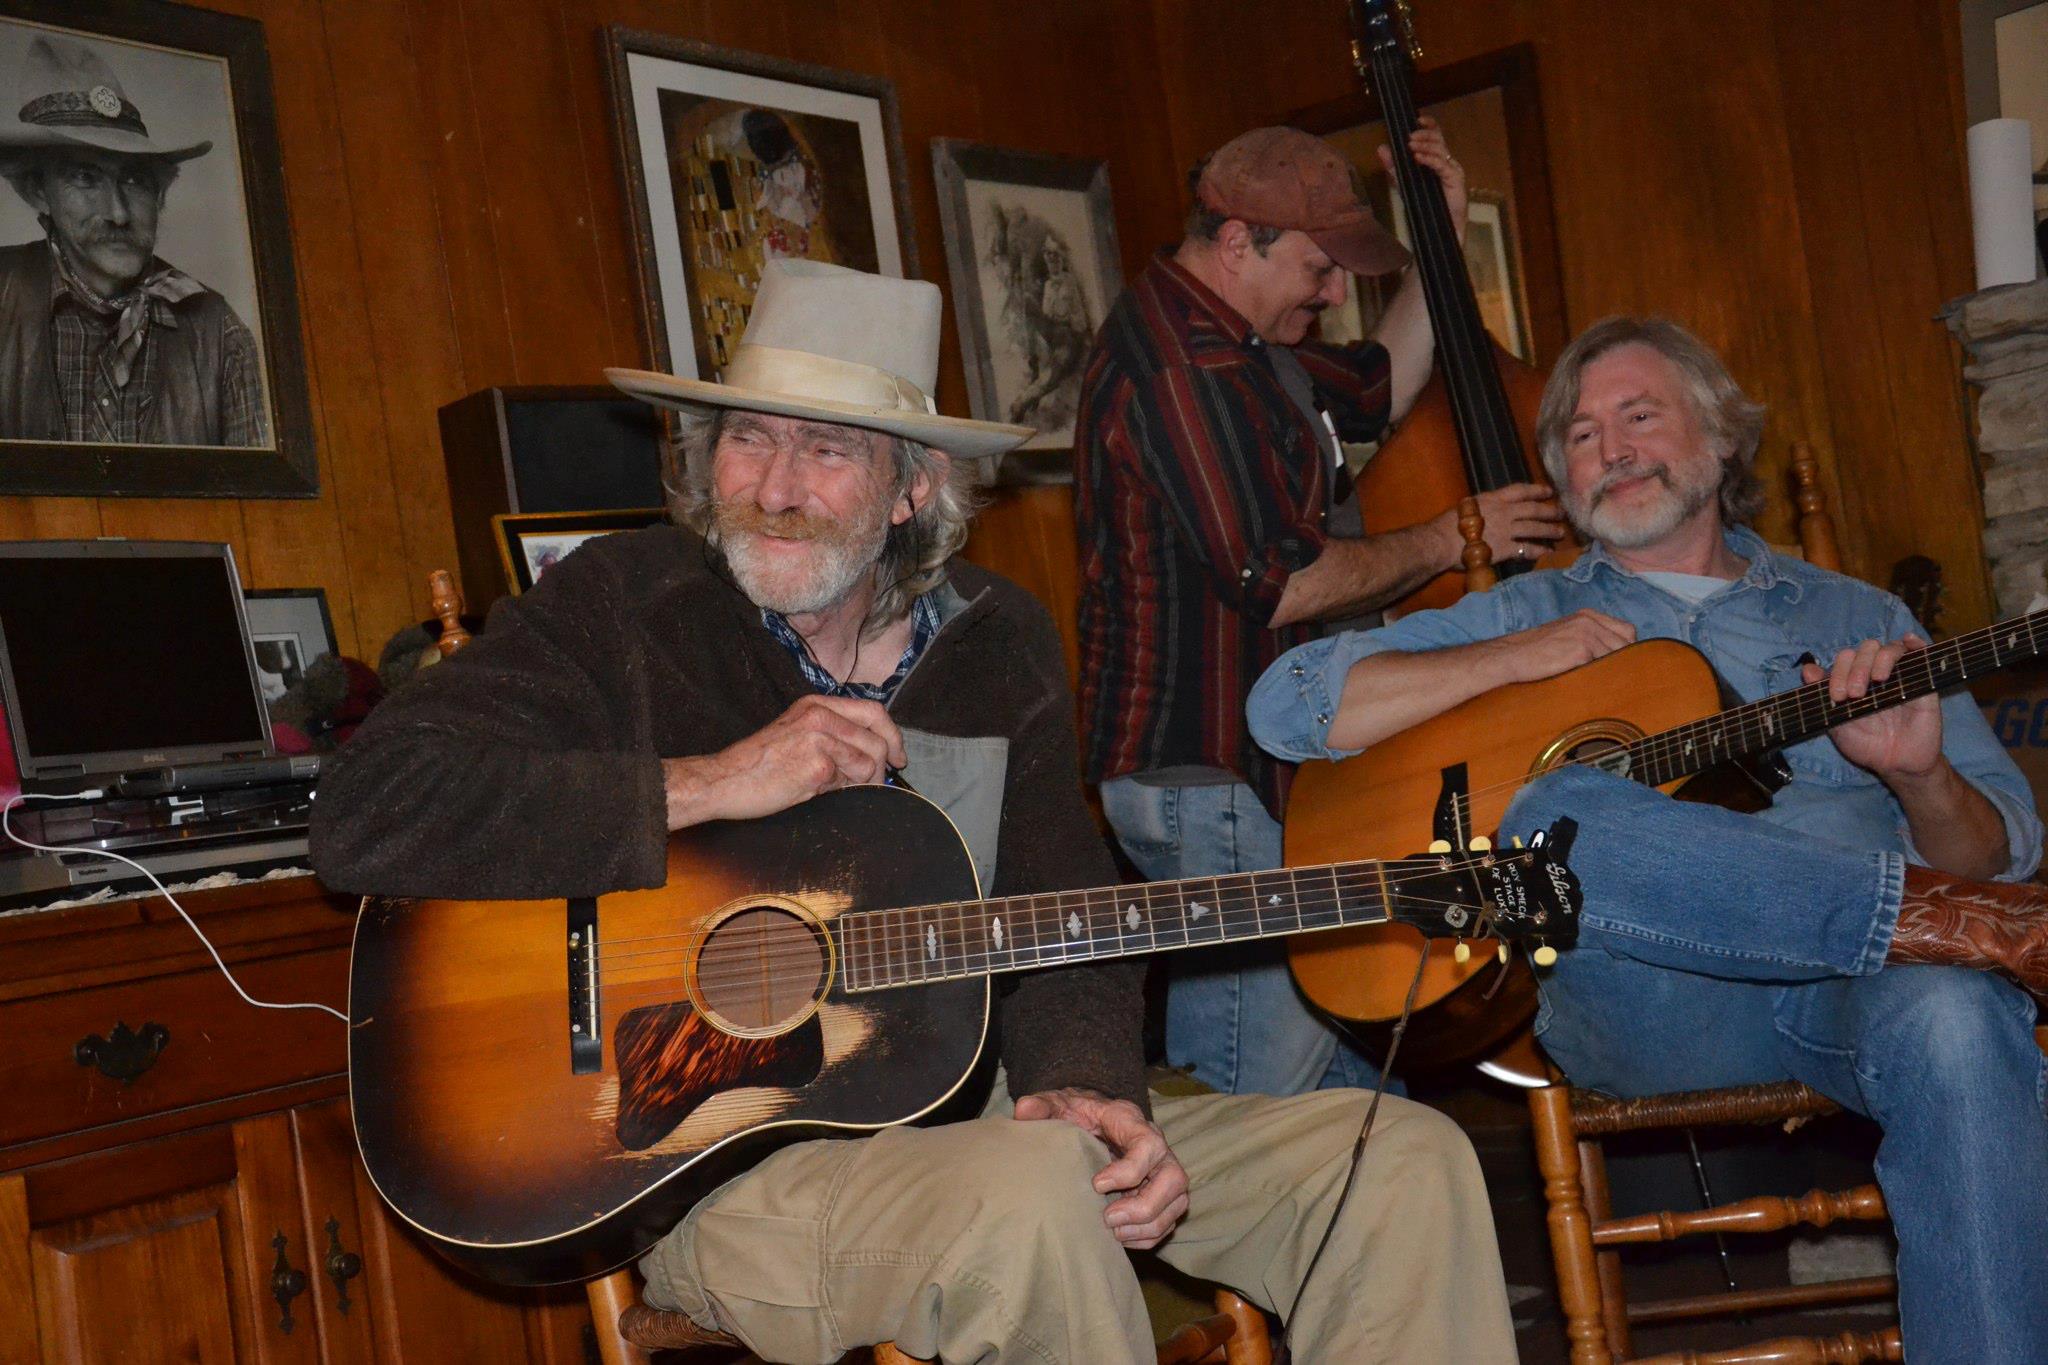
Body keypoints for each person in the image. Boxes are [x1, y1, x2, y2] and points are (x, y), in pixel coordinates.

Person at [311, 260, 1516, 1364]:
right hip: (711, 1165)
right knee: (1033, 1196)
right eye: (747, 441)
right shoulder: (626, 607)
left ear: (911, 489)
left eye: (827, 452)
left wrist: (1088, 1086)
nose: (774, 489)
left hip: (985, 1116)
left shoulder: (997, 642)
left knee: (1398, 1160)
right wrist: (716, 782)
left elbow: (1063, 903)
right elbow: (368, 807)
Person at [1247, 315, 2048, 1360]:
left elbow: (2002, 857)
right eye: (1579, 435)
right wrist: (1515, 657)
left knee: (1954, 1013)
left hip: (1858, 993)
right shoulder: (1527, 609)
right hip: (1645, 1004)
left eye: (1637, 416)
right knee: (1550, 820)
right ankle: (1929, 921)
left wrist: (1915, 772)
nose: (1610, 449)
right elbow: (1286, 703)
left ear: (1720, 440)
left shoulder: (1858, 614)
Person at [1074, 122, 1564, 1096]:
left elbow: (1380, 383)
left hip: (1257, 772)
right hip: (1210, 775)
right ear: (1233, 241)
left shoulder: (1243, 347)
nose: (1334, 291)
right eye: (1316, 266)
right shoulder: (1184, 370)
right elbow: (1279, 582)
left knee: (1337, 1080)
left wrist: (1441, 230)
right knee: (1252, 1093)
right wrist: (1447, 537)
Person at [0, 34, 266, 447]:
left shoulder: (219, 333)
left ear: (159, 193)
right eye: (86, 177)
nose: (119, 213)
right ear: (37, 191)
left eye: (135, 180)